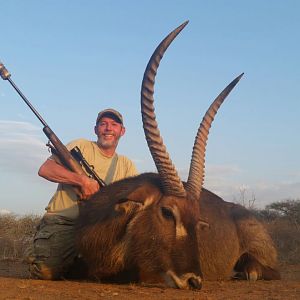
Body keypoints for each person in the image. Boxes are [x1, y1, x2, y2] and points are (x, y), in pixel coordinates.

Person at [26, 108, 138, 280]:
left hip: (101, 230)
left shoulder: (127, 165)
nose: (108, 128)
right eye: (103, 124)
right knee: (45, 272)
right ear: (96, 130)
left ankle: (78, 263)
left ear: (122, 131)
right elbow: (45, 169)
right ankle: (40, 250)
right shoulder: (81, 146)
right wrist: (82, 181)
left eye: (114, 125)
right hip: (65, 222)